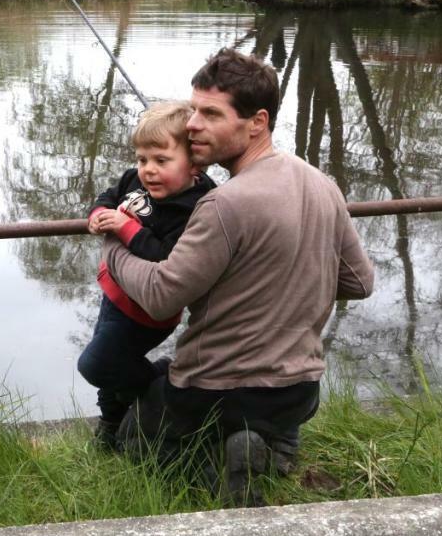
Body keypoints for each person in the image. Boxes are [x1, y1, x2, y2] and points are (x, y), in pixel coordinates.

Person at [102, 48, 374, 504]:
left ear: (257, 122)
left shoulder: (222, 204)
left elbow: (161, 295)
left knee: (136, 438)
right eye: (192, 112)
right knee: (263, 416)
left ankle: (209, 463)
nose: (192, 125)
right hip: (298, 390)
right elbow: (359, 282)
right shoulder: (323, 185)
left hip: (211, 389)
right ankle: (271, 447)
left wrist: (114, 240)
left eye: (210, 114)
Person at [78, 102, 216, 451]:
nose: (147, 170)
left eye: (161, 161)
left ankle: (162, 382)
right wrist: (99, 213)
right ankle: (112, 425)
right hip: (113, 296)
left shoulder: (194, 206)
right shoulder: (134, 180)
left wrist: (124, 228)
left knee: (96, 364)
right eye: (142, 159)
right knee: (108, 369)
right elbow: (109, 195)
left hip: (145, 314)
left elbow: (166, 255)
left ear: (194, 164)